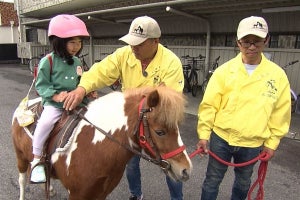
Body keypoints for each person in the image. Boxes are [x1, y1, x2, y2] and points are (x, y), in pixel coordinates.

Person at [63, 16, 185, 200]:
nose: (133, 48)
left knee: (171, 160)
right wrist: (83, 88)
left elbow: (168, 99)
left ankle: (177, 198)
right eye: (131, 43)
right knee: (130, 163)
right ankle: (136, 194)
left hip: (158, 122)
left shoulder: (171, 62)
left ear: (155, 41)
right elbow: (100, 71)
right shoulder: (124, 54)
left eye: (139, 44)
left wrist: (131, 99)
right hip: (131, 121)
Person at [196, 16, 291, 200]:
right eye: (246, 42)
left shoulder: (277, 75)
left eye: (257, 41)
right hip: (221, 138)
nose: (252, 47)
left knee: (243, 183)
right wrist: (203, 135)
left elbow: (281, 113)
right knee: (212, 180)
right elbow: (209, 106)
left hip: (252, 143)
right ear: (238, 42)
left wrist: (272, 144)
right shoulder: (224, 71)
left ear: (267, 40)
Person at [30, 14, 90, 183]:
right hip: (54, 104)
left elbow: (80, 81)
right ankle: (36, 160)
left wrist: (87, 91)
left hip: (76, 102)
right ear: (58, 41)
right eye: (72, 42)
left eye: (79, 42)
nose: (76, 46)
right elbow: (41, 85)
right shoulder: (47, 61)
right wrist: (56, 95)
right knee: (46, 123)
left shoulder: (78, 61)